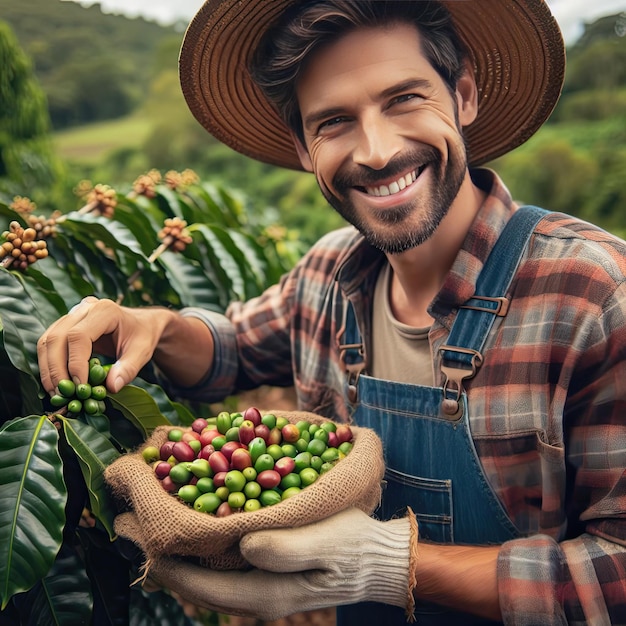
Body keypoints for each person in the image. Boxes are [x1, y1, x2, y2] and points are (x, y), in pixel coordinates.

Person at [37, 0, 626, 624]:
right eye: (334, 122)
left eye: (404, 99)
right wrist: (151, 324)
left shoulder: (594, 294)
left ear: (465, 95)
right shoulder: (327, 274)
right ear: (302, 147)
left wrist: (391, 564)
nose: (375, 151)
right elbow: (235, 347)